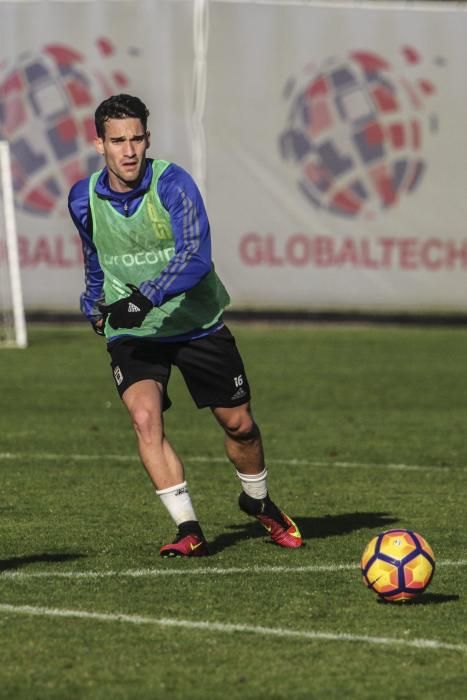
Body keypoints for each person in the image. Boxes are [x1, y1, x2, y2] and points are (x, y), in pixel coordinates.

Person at [68, 93, 302, 557]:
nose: (129, 150)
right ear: (99, 144)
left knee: (240, 426)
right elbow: (95, 254)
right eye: (118, 141)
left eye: (136, 139)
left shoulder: (174, 184)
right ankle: (188, 529)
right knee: (144, 419)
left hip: (196, 324)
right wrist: (95, 299)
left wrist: (146, 297)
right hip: (133, 332)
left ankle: (259, 503)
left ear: (148, 139)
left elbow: (195, 256)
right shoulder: (82, 197)